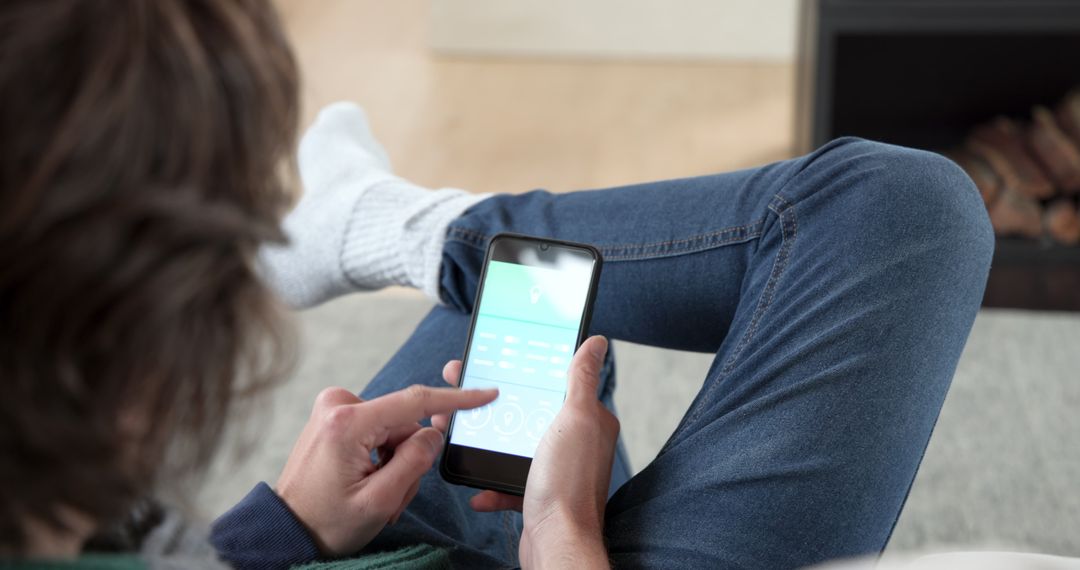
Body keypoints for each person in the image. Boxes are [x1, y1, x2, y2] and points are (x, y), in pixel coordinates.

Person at [0, 1, 994, 569]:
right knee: (900, 211)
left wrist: (285, 523)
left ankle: (405, 228)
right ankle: (404, 226)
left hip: (361, 541)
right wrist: (564, 530)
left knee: (522, 299)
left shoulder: (62, 514)